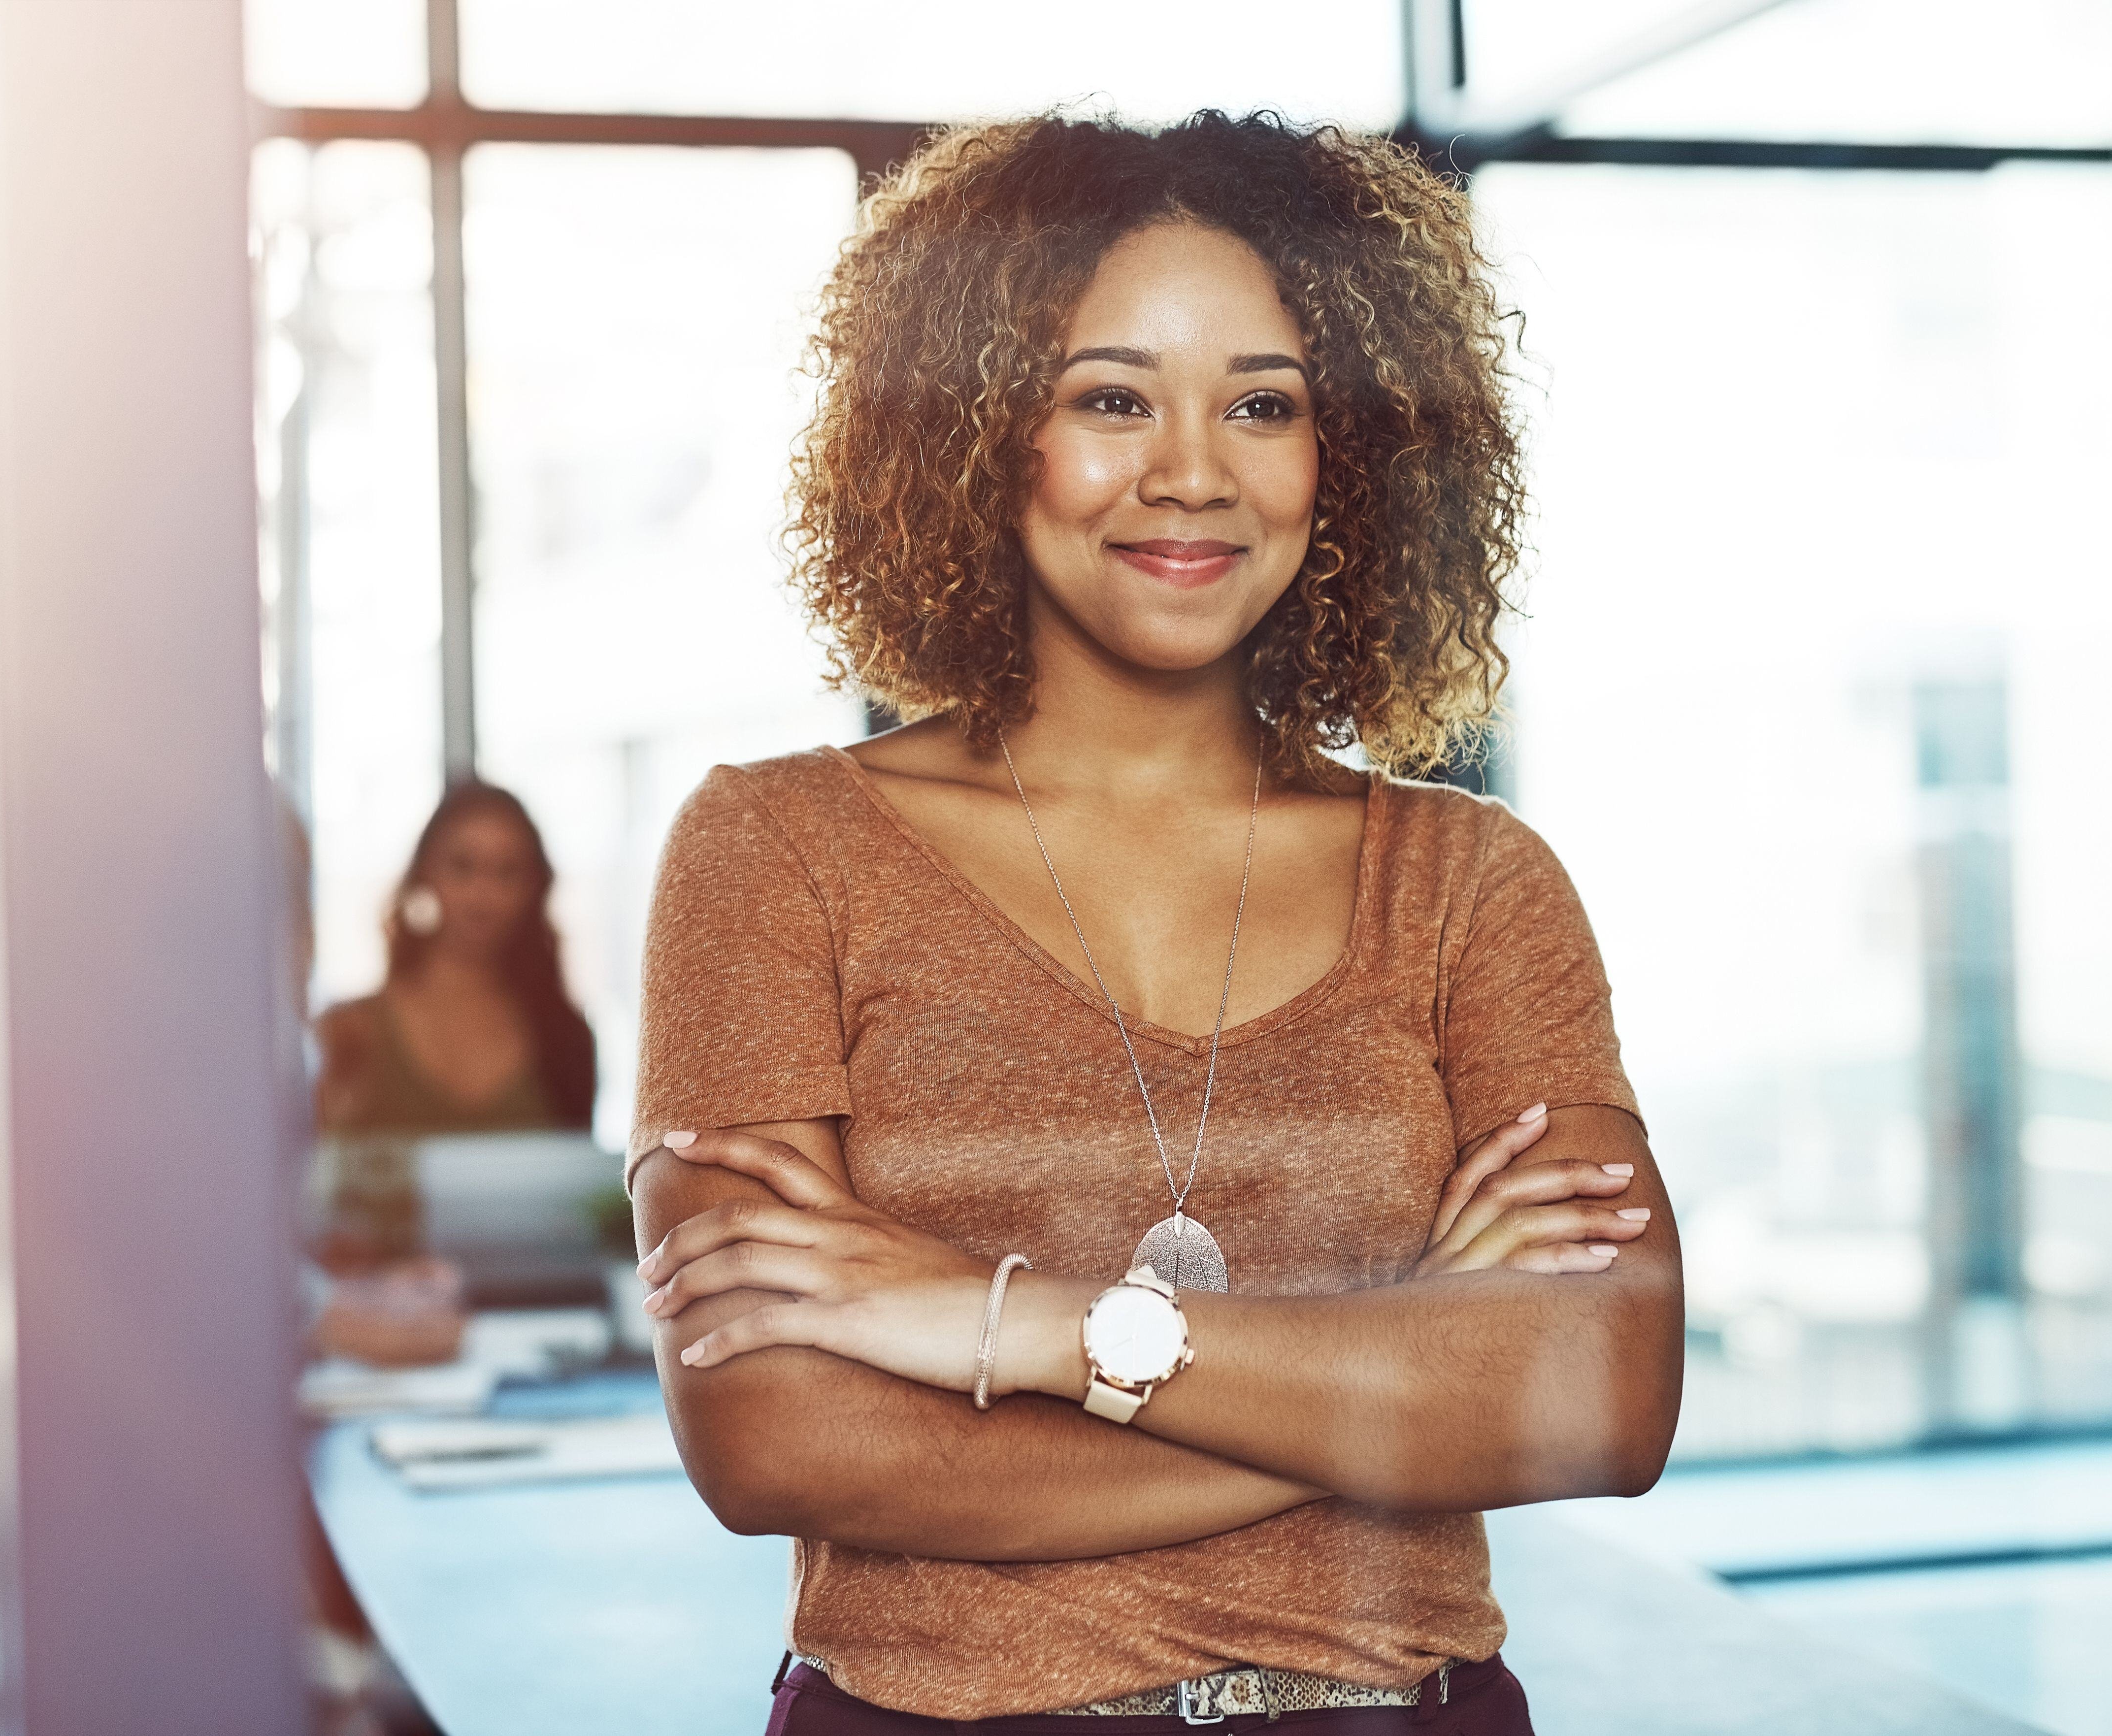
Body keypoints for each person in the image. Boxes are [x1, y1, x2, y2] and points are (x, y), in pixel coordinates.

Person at [628, 113, 1682, 1732]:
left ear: (1349, 450)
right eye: (1107, 396)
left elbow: (1599, 1400)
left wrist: (1014, 1329)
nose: (1189, 470)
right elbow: (773, 1440)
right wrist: (1398, 1371)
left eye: (1261, 403)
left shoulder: (1470, 881)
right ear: (982, 430)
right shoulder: (775, 852)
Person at [311, 782, 597, 1269]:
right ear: (426, 873)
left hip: (534, 1304)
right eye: (462, 867)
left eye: (507, 872)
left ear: (534, 888)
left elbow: (579, 1200)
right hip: (379, 1317)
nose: (482, 895)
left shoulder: (566, 1039)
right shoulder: (351, 1029)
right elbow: (314, 1195)